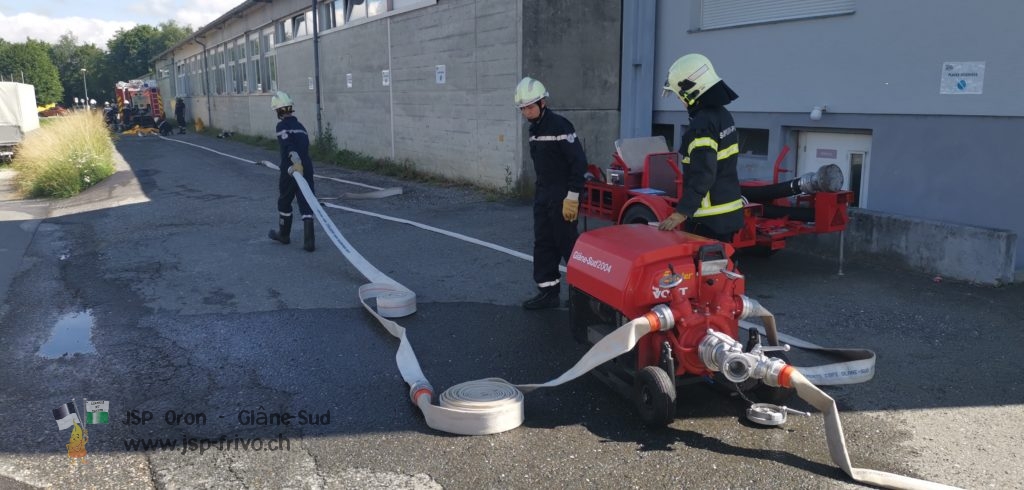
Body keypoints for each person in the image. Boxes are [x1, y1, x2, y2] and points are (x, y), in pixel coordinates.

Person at [515, 77, 588, 310]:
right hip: (543, 195)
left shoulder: (560, 126)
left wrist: (573, 196)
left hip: (563, 197)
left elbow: (578, 163)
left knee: (568, 245)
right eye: (523, 108)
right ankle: (548, 292)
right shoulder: (534, 130)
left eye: (530, 107)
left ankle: (584, 297)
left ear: (542, 102)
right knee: (544, 243)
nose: (526, 112)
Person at [656, 53, 745, 243]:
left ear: (691, 92)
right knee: (723, 268)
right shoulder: (723, 115)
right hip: (728, 212)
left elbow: (704, 173)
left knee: (700, 270)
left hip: (708, 219)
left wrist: (681, 212)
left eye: (679, 95)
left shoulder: (702, 124)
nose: (680, 101)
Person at [267, 91, 316, 252]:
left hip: (291, 169)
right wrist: (302, 164)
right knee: (306, 201)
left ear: (279, 110)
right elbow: (304, 147)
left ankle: (284, 234)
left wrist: (295, 163)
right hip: (307, 168)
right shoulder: (301, 126)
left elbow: (289, 146)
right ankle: (309, 242)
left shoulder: (281, 126)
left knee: (285, 200)